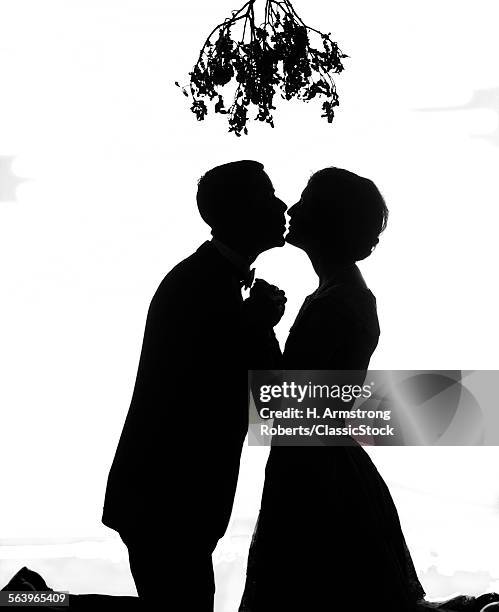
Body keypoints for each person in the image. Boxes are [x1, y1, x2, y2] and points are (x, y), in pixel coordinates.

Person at [102, 160, 287, 610]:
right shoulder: (198, 287)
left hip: (173, 499)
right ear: (238, 212)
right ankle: (32, 601)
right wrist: (258, 327)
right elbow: (227, 393)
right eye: (267, 197)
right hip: (165, 500)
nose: (281, 205)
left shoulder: (215, 282)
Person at [239, 167, 426, 611]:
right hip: (319, 462)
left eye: (305, 200)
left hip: (315, 474)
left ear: (328, 219)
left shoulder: (338, 303)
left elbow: (284, 405)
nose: (294, 208)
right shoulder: (339, 295)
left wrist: (259, 328)